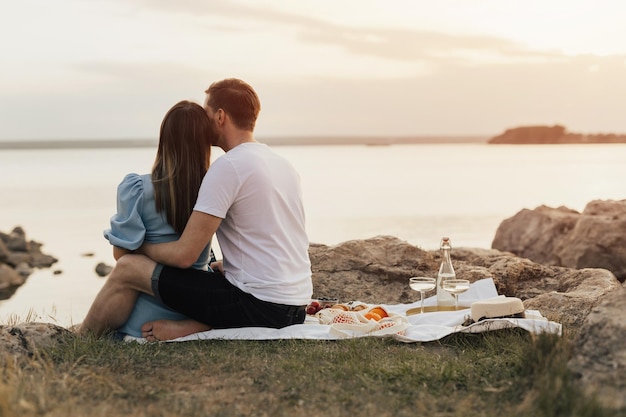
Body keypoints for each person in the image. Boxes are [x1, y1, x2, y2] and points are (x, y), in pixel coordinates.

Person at [78, 78, 313, 341]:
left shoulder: (228, 167)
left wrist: (138, 249)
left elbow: (184, 256)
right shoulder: (282, 164)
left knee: (130, 268)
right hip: (296, 306)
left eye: (207, 113)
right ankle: (196, 325)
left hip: (258, 306)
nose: (203, 121)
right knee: (215, 269)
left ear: (220, 116)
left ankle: (80, 339)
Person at [101, 100, 216, 339]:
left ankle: (82, 336)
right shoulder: (214, 190)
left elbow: (121, 256)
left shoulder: (137, 189)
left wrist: (141, 248)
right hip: (194, 304)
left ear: (165, 140)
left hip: (144, 317)